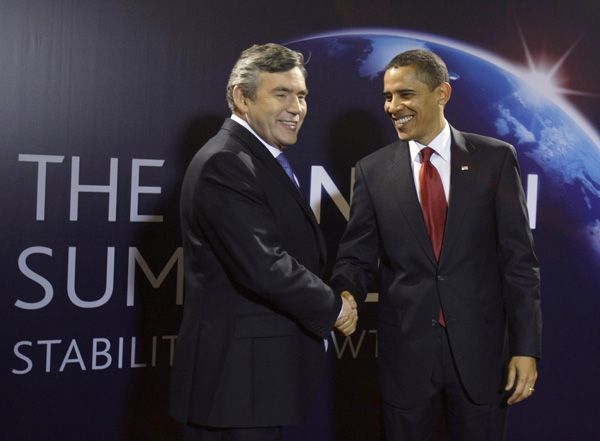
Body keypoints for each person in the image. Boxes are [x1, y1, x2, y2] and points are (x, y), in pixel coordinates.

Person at [330, 49, 541, 440]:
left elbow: (519, 262)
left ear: (442, 93)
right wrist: (345, 294)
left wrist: (526, 348)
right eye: (388, 97)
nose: (393, 107)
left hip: (480, 357)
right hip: (406, 356)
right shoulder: (373, 171)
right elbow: (357, 256)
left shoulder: (494, 159)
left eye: (405, 95)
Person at [170, 43, 357, 441]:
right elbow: (265, 266)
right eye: (281, 94)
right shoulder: (227, 162)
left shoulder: (253, 158)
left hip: (251, 385)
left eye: (302, 95)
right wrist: (334, 307)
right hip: (234, 386)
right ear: (242, 97)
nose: (296, 107)